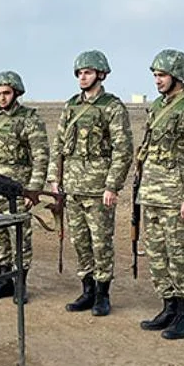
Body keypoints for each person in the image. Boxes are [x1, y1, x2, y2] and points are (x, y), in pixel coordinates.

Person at [134, 49, 184, 338]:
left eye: (162, 75)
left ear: (177, 75)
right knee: (157, 255)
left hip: (177, 197)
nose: (157, 81)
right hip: (153, 194)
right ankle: (168, 306)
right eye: (155, 75)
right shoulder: (158, 106)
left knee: (180, 256)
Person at [50, 50, 133, 317]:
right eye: (79, 73)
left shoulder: (112, 106)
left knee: (101, 242)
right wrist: (55, 179)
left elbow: (123, 150)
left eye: (87, 72)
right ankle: (86, 290)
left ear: (100, 74)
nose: (82, 77)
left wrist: (112, 185)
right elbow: (59, 145)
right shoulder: (71, 105)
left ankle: (102, 294)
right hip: (73, 187)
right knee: (80, 242)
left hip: (98, 188)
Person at [0, 70, 50, 303]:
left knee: (19, 236)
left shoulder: (29, 119)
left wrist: (33, 189)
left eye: (6, 93)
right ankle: (3, 280)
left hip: (17, 188)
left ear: (16, 93)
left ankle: (21, 283)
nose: (2, 98)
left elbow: (41, 156)